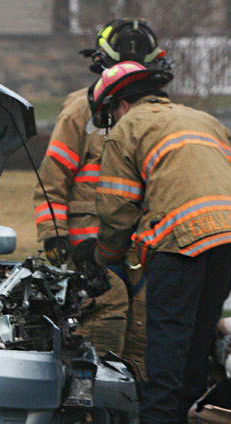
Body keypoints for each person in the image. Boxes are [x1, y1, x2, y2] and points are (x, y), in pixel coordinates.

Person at [81, 62, 231, 424]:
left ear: (121, 104)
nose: (110, 123)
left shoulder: (129, 129)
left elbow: (115, 208)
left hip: (182, 240)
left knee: (167, 333)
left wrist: (106, 261)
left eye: (108, 115)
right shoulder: (206, 121)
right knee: (197, 337)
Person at [32, 18, 170, 375]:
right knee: (106, 307)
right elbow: (53, 176)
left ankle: (135, 403)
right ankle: (91, 397)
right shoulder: (82, 108)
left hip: (137, 243)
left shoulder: (154, 115)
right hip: (87, 241)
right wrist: (53, 234)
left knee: (141, 317)